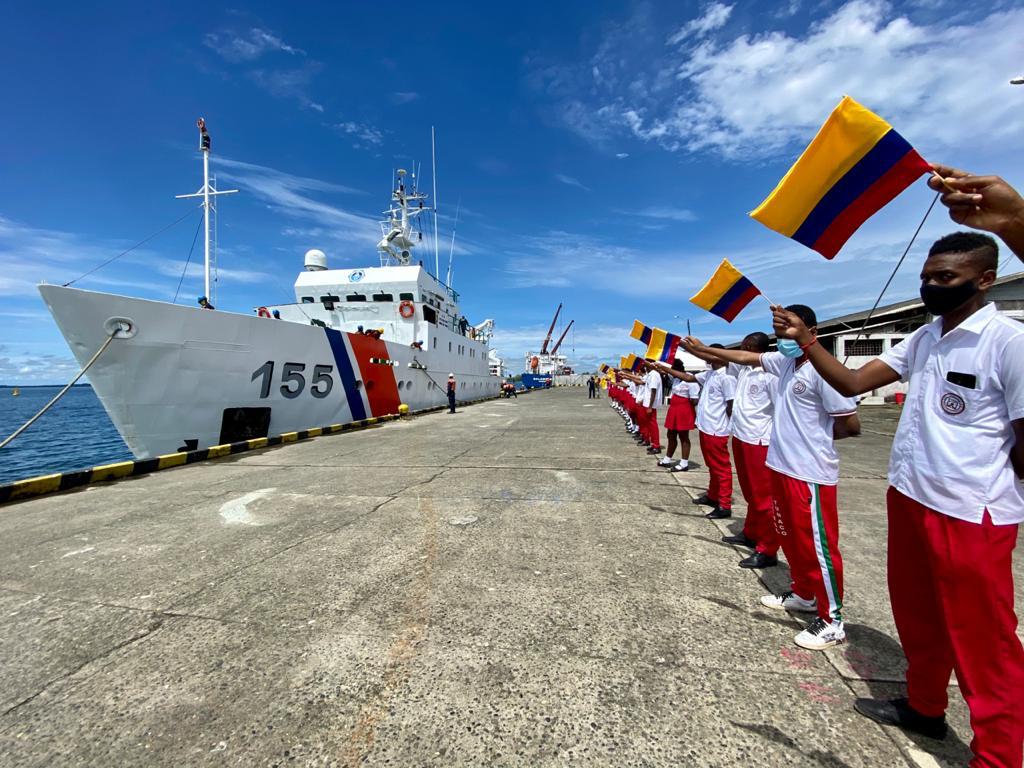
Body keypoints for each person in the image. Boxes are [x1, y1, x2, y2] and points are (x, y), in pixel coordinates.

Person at [771, 232, 1024, 766]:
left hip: (971, 511)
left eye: (946, 278)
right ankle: (925, 706)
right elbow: (855, 379)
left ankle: (999, 754)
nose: (932, 287)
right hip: (910, 495)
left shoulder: (1007, 341)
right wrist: (808, 340)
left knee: (984, 641)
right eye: (926, 278)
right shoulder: (926, 338)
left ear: (985, 279)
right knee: (917, 615)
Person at [685, 308, 860, 651]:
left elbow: (849, 425)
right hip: (781, 465)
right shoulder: (784, 363)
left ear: (810, 330)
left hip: (809, 472)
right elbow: (742, 355)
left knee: (818, 545)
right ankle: (804, 593)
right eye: (778, 331)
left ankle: (832, 619)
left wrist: (811, 439)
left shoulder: (822, 371)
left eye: (789, 329)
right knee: (791, 536)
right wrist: (705, 349)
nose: (782, 338)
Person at [727, 334, 779, 569]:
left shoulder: (771, 374)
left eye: (745, 346)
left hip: (760, 440)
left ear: (752, 348)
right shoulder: (745, 371)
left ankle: (767, 549)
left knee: (764, 497)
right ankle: (751, 532)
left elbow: (780, 410)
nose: (741, 349)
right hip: (741, 435)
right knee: (750, 493)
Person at [692, 345, 736, 519]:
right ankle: (712, 495)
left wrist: (727, 426)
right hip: (706, 426)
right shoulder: (709, 374)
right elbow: (688, 377)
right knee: (712, 465)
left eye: (709, 353)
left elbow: (731, 405)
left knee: (721, 468)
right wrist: (664, 368)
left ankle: (724, 504)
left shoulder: (727, 377)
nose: (705, 357)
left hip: (717, 429)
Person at [650, 357, 699, 472]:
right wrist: (654, 365)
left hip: (684, 409)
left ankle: (684, 463)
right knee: (670, 434)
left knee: (683, 436)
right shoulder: (677, 379)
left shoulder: (689, 379)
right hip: (674, 408)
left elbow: (695, 399)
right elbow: (664, 372)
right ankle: (667, 459)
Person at [641, 360, 664, 455]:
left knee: (653, 426)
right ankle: (654, 443)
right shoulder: (650, 374)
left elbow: (653, 390)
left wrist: (650, 406)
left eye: (645, 362)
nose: (643, 364)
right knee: (650, 425)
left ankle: (656, 446)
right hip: (648, 404)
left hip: (651, 405)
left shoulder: (654, 374)